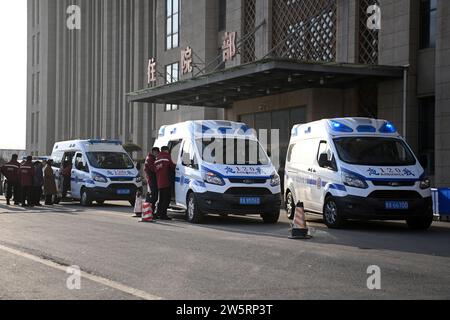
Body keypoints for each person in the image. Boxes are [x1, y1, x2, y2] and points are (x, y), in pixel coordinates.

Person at [155, 146, 176, 220]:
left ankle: (158, 213)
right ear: (166, 150)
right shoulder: (167, 157)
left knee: (161, 199)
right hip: (167, 181)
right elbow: (173, 166)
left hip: (160, 182)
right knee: (166, 200)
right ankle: (163, 215)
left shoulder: (157, 158)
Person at [144, 147, 160, 217]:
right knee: (153, 197)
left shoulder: (150, 158)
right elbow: (153, 169)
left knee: (152, 196)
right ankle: (151, 212)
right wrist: (159, 167)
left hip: (151, 179)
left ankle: (149, 212)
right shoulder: (150, 159)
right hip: (152, 180)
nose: (158, 154)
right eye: (157, 152)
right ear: (154, 152)